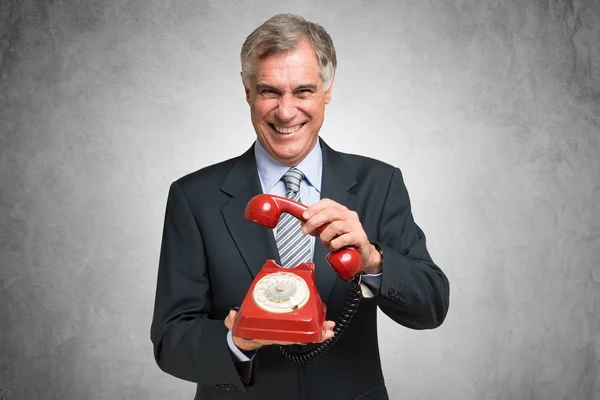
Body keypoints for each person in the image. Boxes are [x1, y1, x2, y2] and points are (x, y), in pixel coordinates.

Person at [150, 13, 450, 400]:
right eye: (269, 91)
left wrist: (373, 261)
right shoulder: (194, 197)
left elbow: (432, 306)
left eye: (303, 91)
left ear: (327, 90)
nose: (286, 111)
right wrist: (237, 339)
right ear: (247, 91)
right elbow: (170, 339)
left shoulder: (380, 183)